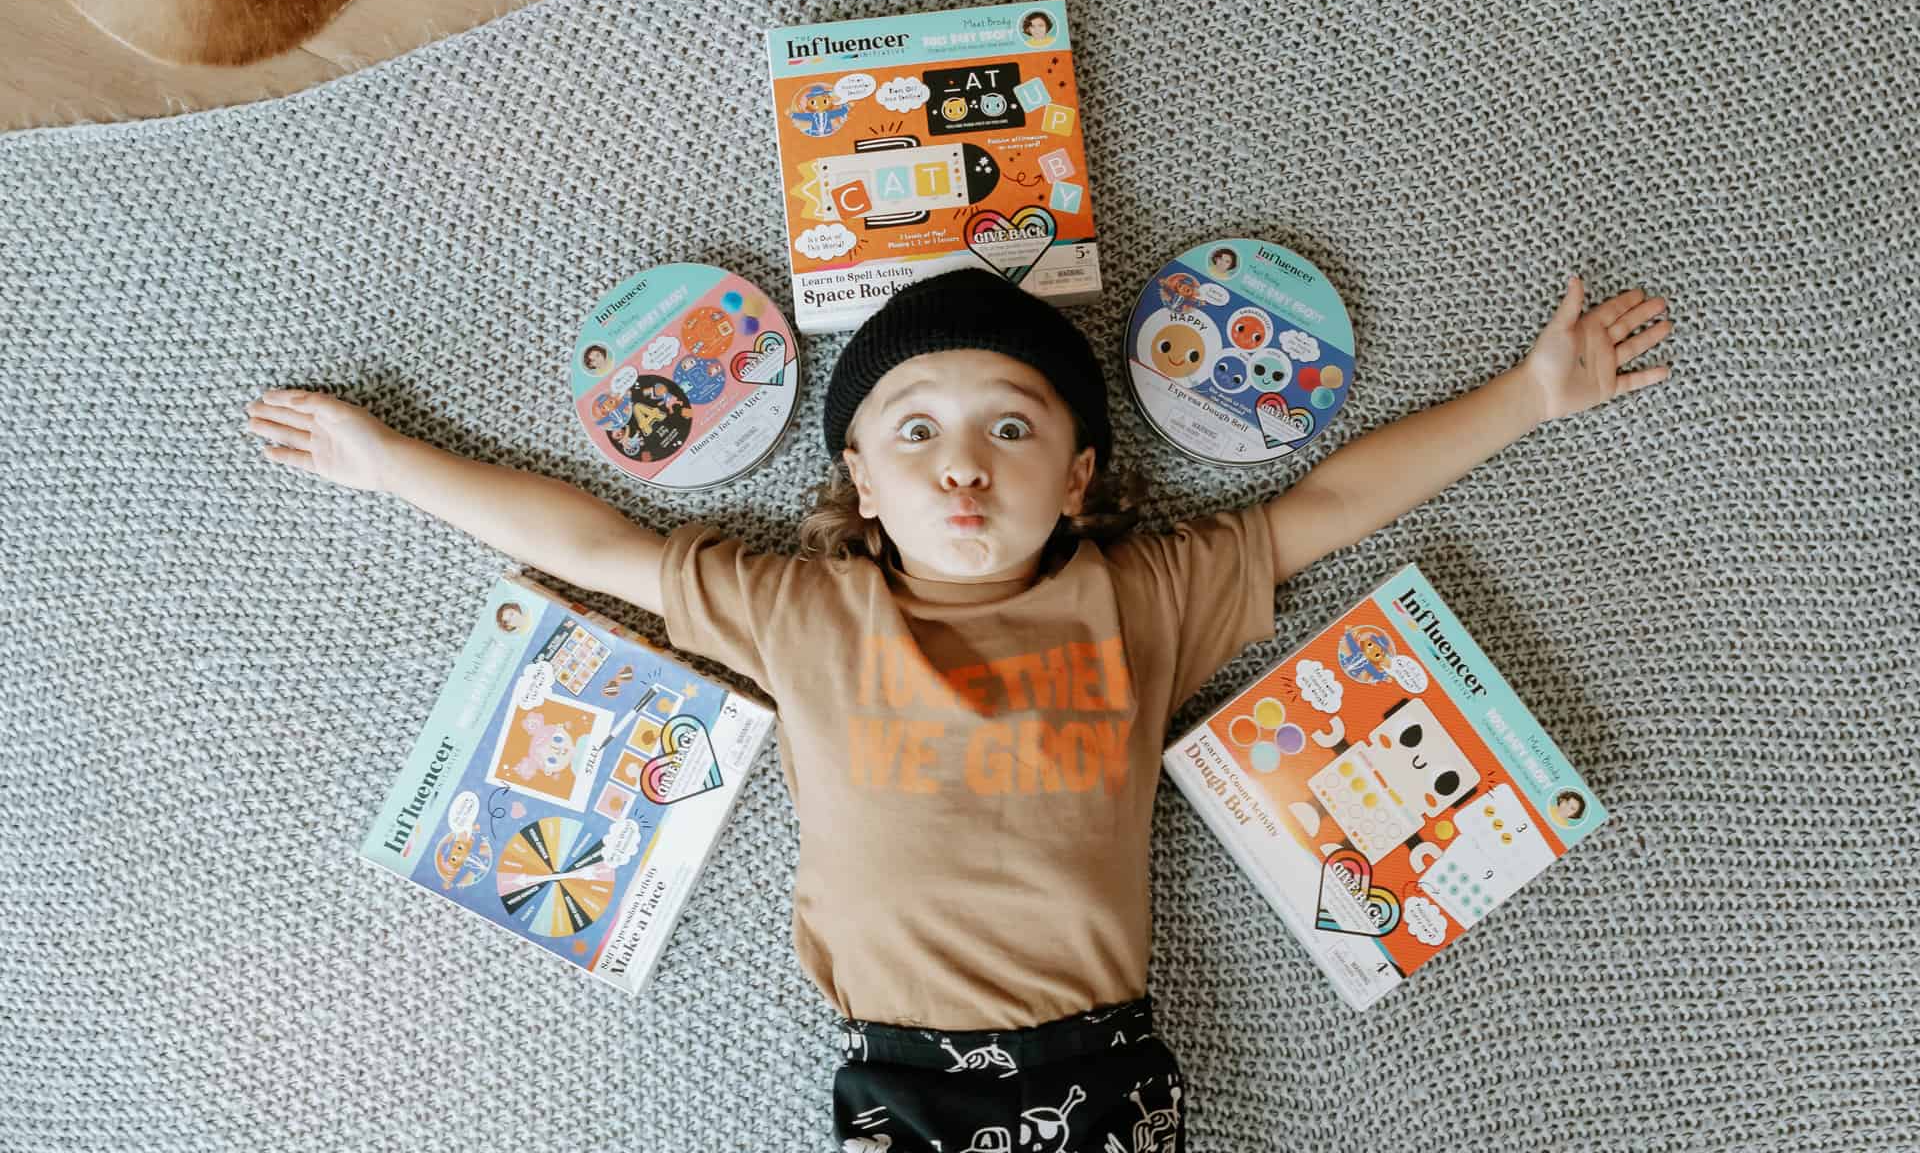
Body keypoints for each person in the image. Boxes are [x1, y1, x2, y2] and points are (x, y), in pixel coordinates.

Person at [244, 268, 1673, 1150]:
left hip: (1097, 1060)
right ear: (861, 481)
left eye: (1012, 425)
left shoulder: (1143, 592)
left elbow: (1325, 509)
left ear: (1080, 474)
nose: (964, 465)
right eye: (915, 432)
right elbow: (598, 546)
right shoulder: (801, 610)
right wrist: (392, 467)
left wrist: (1528, 397)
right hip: (898, 1077)